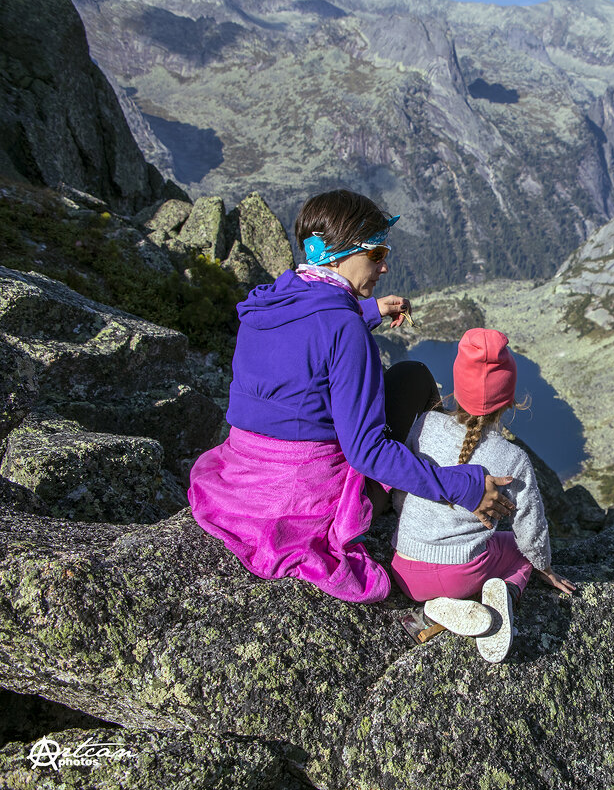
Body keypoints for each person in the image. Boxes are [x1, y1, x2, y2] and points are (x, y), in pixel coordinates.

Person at [187, 189, 515, 603]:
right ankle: (420, 498)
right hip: (305, 497)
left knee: (403, 377)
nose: (384, 265)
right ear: (338, 254)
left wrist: (370, 311)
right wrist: (463, 487)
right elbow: (366, 453)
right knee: (413, 378)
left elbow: (306, 337)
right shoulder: (345, 330)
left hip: (243, 479)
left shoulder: (269, 302)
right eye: (376, 253)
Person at [391, 328, 576, 662]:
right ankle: (503, 593)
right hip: (458, 576)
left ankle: (432, 613)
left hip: (404, 569)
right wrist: (545, 567)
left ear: (458, 388)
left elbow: (403, 494)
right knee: (521, 552)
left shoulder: (423, 426)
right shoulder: (513, 459)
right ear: (510, 399)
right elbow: (530, 531)